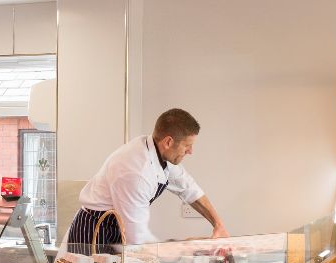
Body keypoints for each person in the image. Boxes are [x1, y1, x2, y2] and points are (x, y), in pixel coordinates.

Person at [64, 108, 228, 254]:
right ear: (168, 142)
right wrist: (186, 247)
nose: (190, 151)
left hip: (119, 229)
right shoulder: (136, 172)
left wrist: (218, 225)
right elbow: (138, 238)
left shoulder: (160, 154)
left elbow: (189, 189)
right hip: (94, 233)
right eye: (187, 146)